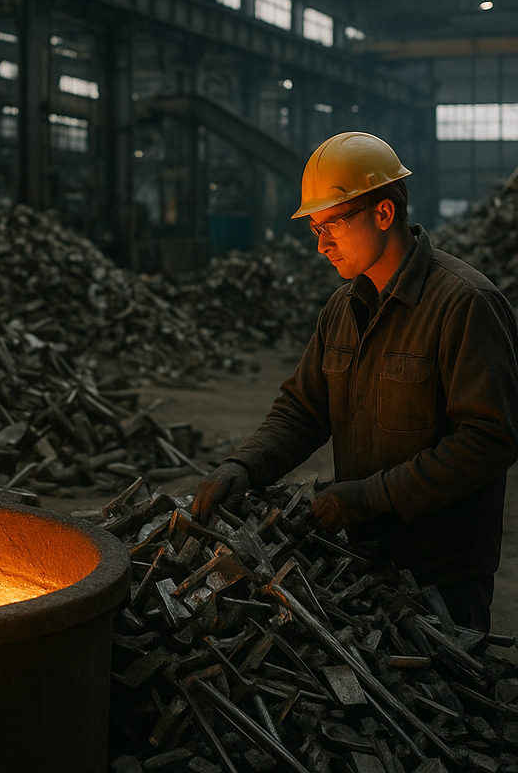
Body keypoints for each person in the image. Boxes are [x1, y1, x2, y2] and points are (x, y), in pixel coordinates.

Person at [191, 131, 518, 631]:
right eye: (315, 228)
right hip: (364, 561)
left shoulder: (465, 305)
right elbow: (303, 410)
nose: (321, 245)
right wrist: (244, 465)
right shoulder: (342, 309)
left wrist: (370, 497)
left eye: (332, 226)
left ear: (384, 213)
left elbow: (489, 440)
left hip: (443, 575)